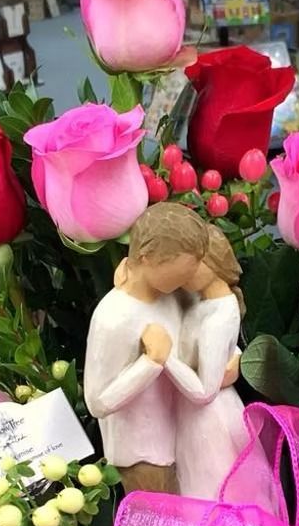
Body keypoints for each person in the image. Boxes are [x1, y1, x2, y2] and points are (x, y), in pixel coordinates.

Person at [83, 202, 209, 494]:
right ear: (147, 257)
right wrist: (150, 363)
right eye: (182, 268)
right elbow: (97, 402)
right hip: (142, 453)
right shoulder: (114, 317)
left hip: (181, 438)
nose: (191, 276)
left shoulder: (172, 297)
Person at [163, 225, 250, 500]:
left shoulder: (218, 317)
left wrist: (163, 357)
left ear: (212, 263)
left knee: (212, 487)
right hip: (195, 416)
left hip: (208, 419)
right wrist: (233, 355)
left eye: (192, 264)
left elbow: (204, 391)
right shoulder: (204, 304)